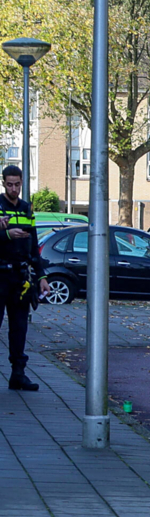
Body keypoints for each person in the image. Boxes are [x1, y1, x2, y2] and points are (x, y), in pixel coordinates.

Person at [0, 166, 50, 391]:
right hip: (0, 275)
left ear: (22, 183)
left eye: (17, 184)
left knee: (19, 327)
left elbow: (33, 246)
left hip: (20, 277)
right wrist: (6, 234)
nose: (13, 189)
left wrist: (41, 275)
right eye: (9, 184)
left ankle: (18, 374)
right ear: (3, 183)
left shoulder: (27, 209)